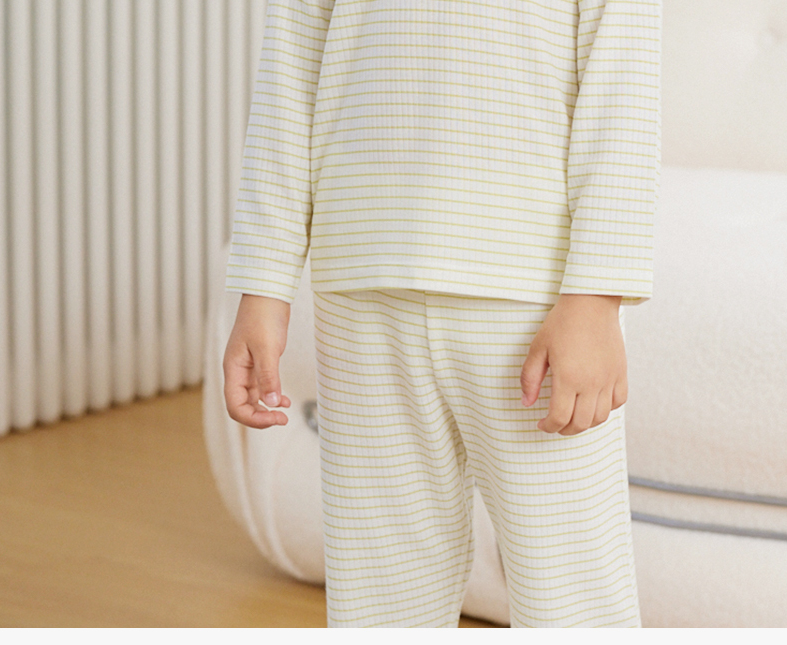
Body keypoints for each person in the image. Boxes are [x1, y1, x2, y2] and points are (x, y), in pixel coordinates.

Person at [223, 0, 661, 628]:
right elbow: (290, 66)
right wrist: (264, 282)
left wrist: (595, 297)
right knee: (380, 597)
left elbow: (623, 84)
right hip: (362, 281)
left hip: (531, 301)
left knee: (571, 596)